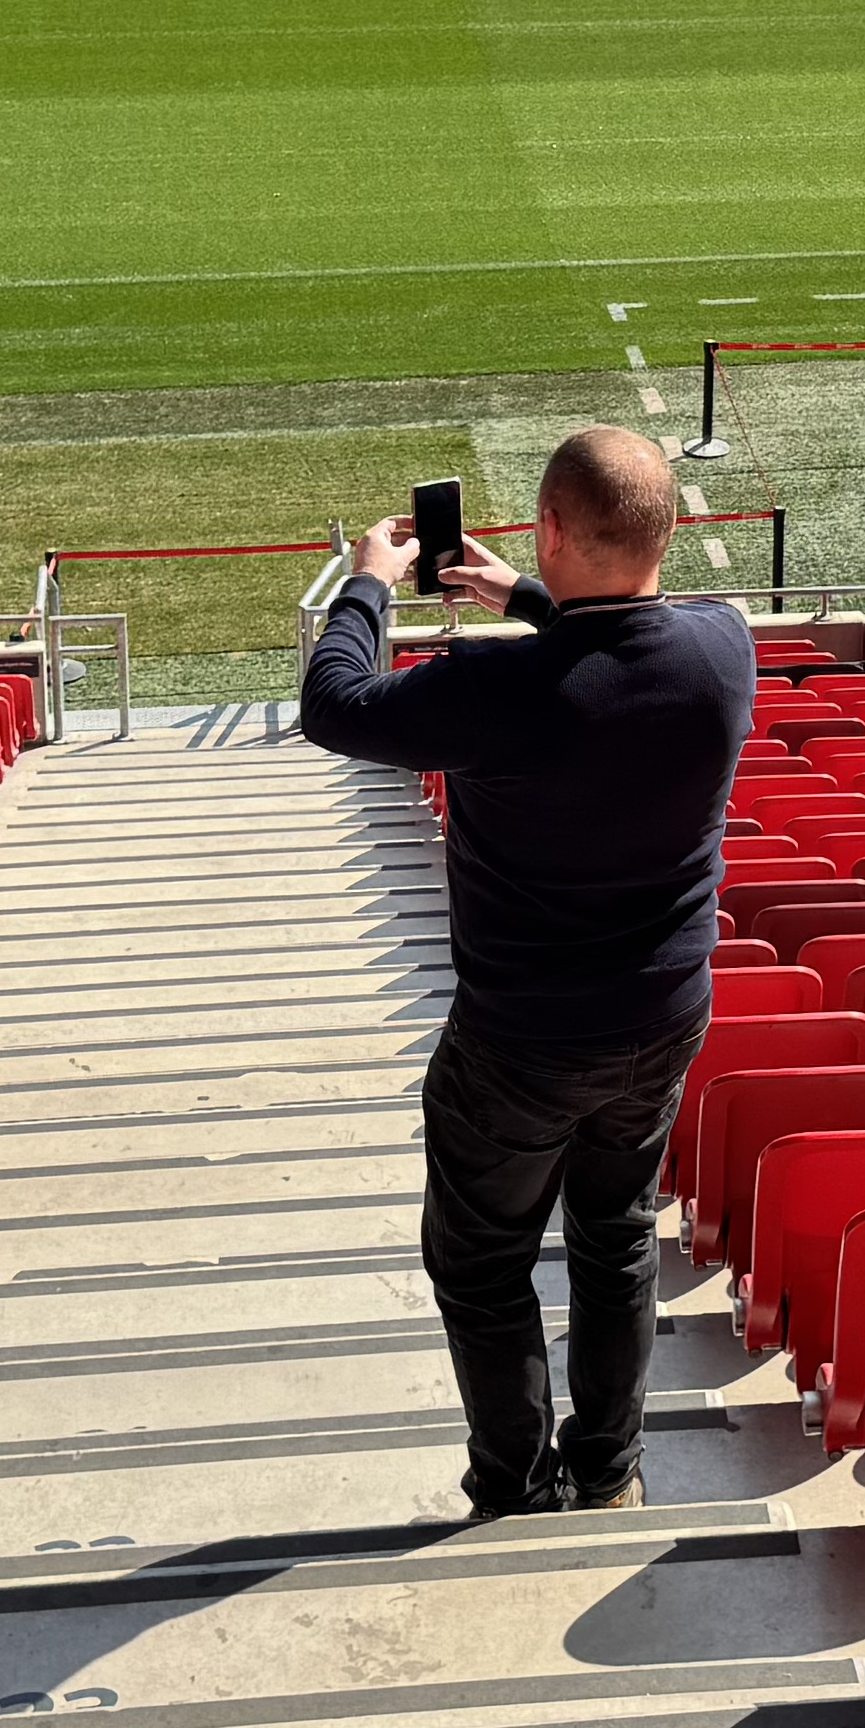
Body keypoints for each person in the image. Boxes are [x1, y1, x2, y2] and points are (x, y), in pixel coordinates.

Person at [298, 426, 757, 1517]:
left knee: (482, 1260)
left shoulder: (489, 691)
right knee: (615, 1241)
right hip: (663, 1017)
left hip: (519, 1042)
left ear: (549, 528)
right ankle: (607, 1474)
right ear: (668, 532)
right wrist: (528, 598)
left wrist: (368, 586)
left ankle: (510, 1484)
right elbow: (617, 656)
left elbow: (335, 706)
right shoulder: (724, 649)